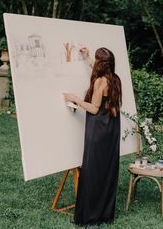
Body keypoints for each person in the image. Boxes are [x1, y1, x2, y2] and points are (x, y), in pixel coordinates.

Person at [63, 47, 122, 226]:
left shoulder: (100, 82)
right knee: (105, 170)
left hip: (98, 129)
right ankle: (104, 213)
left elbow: (94, 108)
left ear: (100, 63)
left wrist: (76, 99)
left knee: (92, 170)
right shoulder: (115, 79)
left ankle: (89, 215)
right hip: (111, 129)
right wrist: (87, 57)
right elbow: (98, 71)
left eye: (96, 60)